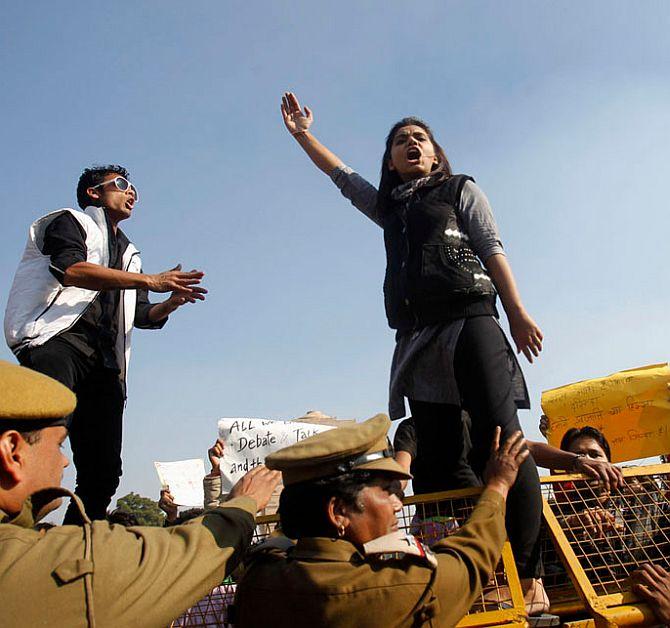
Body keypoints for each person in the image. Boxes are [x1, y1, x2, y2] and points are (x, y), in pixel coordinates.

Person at [281, 92, 545, 611]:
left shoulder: (458, 188)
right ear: (391, 160)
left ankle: (531, 574)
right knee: (444, 459)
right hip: (417, 337)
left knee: (503, 438)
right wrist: (302, 134)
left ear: (435, 152)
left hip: (471, 319)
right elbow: (344, 178)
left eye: (419, 139)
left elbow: (492, 245)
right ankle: (472, 570)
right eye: (400, 142)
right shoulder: (389, 208)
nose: (410, 145)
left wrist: (515, 311)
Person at [0, 360, 280, 628]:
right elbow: (189, 555)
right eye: (60, 445)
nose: (65, 462)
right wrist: (245, 503)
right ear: (13, 451)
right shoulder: (40, 561)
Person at [4, 164, 207, 523]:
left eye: (135, 190)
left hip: (106, 362)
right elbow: (71, 270)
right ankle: (15, 535)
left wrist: (170, 303)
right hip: (58, 341)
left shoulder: (130, 254)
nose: (132, 193)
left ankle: (75, 543)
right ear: (93, 193)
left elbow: (142, 316)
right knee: (43, 439)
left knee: (104, 469)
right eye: (122, 185)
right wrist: (151, 279)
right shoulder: (67, 221)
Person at [234, 413, 530, 627]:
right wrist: (498, 486)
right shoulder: (401, 586)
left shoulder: (258, 580)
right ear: (338, 513)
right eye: (387, 491)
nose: (398, 504)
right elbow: (470, 559)